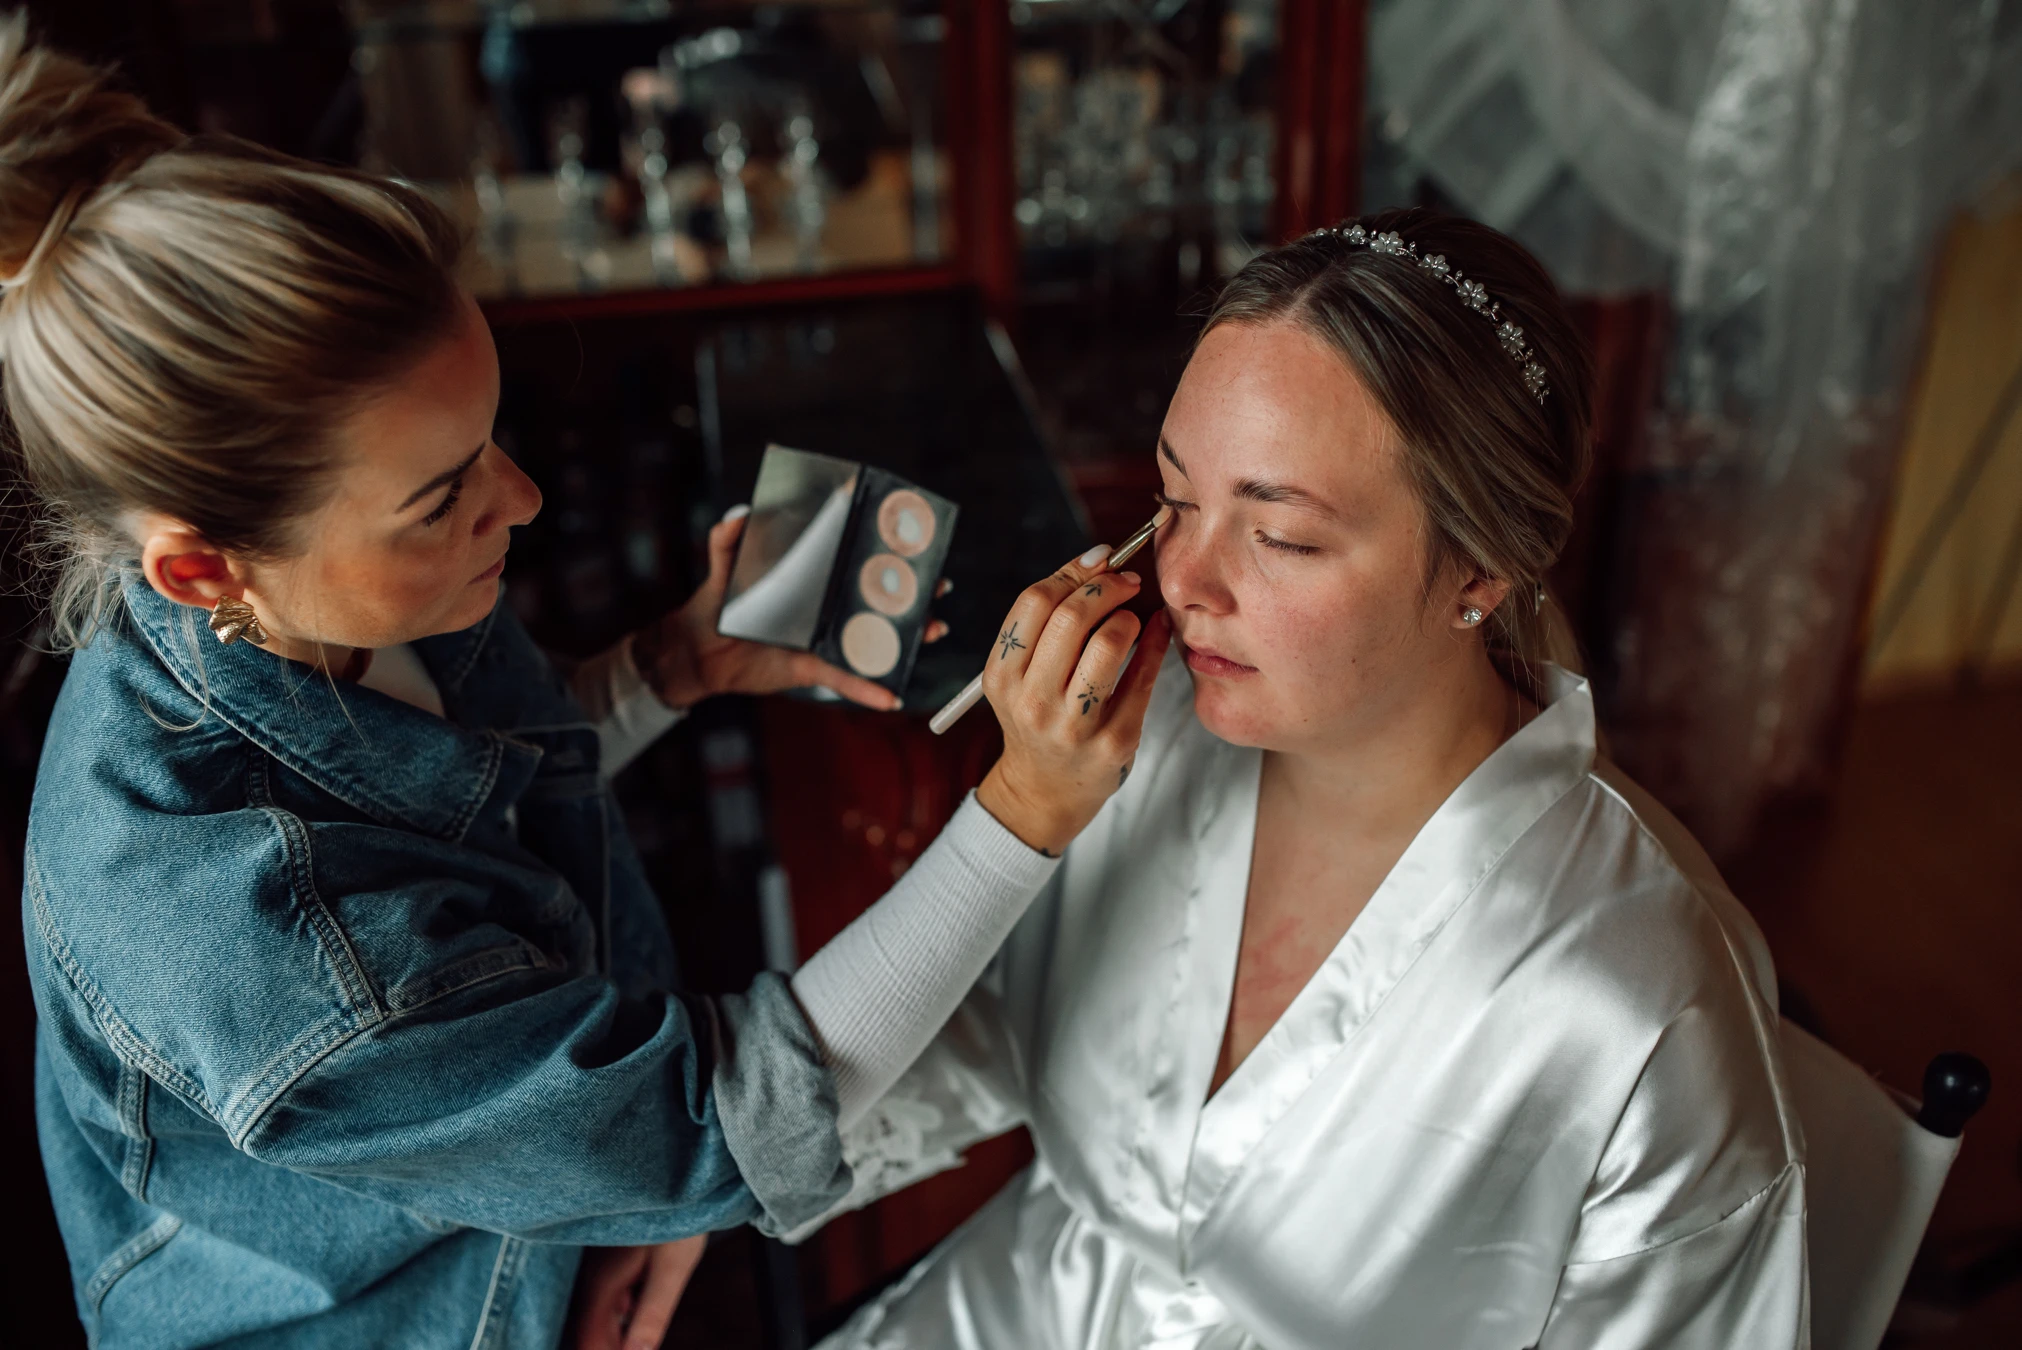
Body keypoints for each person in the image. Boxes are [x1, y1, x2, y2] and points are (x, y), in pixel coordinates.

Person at [0, 20, 1171, 1350]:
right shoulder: (252, 943)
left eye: (492, 435)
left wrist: (668, 665)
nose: (523, 498)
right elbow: (711, 1121)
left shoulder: (303, 605)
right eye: (442, 499)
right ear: (205, 568)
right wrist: (1026, 805)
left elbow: (446, 818)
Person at [800, 209, 1808, 1349]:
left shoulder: (1632, 1006)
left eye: (1279, 536)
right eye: (1175, 500)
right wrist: (738, 1164)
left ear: (1480, 567)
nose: (1184, 580)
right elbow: (1015, 1024)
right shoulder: (1147, 742)